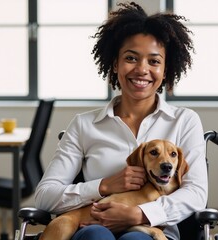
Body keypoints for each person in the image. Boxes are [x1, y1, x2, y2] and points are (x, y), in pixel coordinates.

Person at [34, 2, 206, 240]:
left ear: (165, 70)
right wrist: (104, 185)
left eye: (154, 61)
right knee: (96, 236)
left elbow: (196, 193)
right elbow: (45, 195)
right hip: (90, 229)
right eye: (131, 58)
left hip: (153, 231)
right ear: (115, 64)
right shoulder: (84, 124)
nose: (142, 69)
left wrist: (139, 215)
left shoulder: (185, 121)